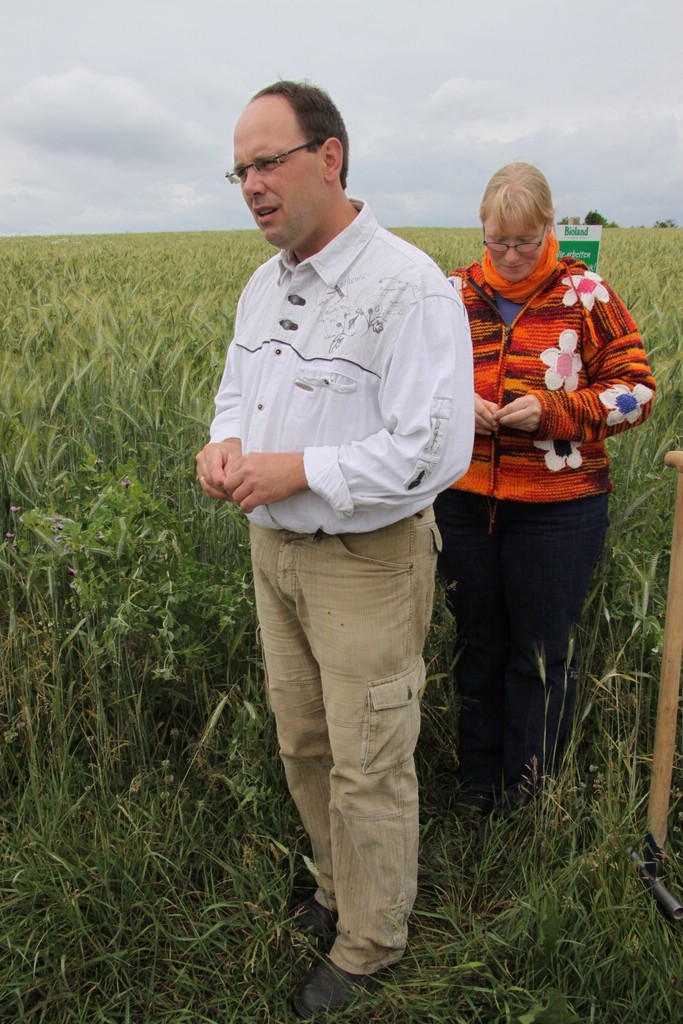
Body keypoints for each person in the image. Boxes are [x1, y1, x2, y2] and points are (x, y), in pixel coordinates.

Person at [195, 80, 474, 1018]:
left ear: (329, 157)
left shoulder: (407, 287)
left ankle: (371, 940)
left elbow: (432, 451)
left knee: (368, 759)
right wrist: (224, 445)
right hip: (272, 554)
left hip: (366, 563)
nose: (251, 185)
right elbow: (235, 394)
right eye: (240, 170)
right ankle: (334, 886)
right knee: (305, 740)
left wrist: (299, 470)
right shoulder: (263, 284)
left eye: (266, 162)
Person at [434, 162, 655, 816]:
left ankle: (528, 795)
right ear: (481, 230)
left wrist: (554, 412)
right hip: (464, 502)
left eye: (524, 243)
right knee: (477, 642)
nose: (509, 256)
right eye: (496, 241)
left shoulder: (585, 293)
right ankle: (478, 785)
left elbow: (636, 392)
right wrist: (456, 405)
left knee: (539, 652)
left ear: (549, 228)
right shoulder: (450, 294)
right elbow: (407, 384)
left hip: (560, 511)